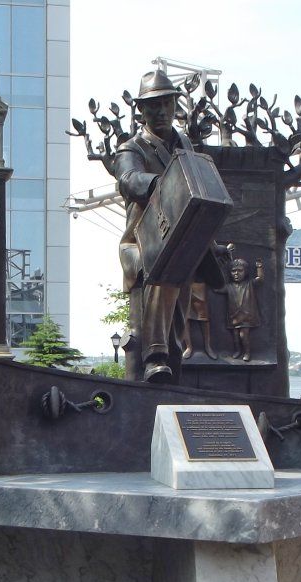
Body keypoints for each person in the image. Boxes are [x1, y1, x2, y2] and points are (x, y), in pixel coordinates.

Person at [113, 69, 224, 383]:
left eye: (165, 104)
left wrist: (211, 244)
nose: (159, 111)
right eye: (152, 106)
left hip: (182, 243)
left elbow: (197, 199)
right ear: (141, 111)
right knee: (163, 275)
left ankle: (169, 374)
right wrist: (164, 185)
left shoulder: (187, 149)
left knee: (179, 322)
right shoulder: (131, 149)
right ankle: (155, 358)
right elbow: (128, 179)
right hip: (144, 246)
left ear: (175, 105)